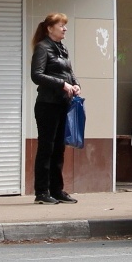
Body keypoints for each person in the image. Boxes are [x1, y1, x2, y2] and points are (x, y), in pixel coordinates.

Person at [30, 12, 82, 204]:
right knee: (47, 148)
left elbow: (69, 71)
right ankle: (41, 192)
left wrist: (75, 84)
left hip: (62, 104)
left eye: (65, 25)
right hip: (47, 105)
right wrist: (61, 84)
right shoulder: (43, 48)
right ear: (50, 28)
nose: (65, 29)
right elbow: (36, 75)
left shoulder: (61, 48)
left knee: (59, 148)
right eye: (61, 26)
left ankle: (56, 190)